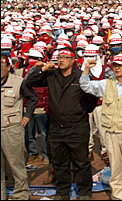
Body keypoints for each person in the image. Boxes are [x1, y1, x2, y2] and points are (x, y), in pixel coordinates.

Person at [25, 47, 94, 200]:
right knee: (59, 163)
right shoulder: (51, 75)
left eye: (65, 57)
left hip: (77, 127)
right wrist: (42, 69)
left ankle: (84, 192)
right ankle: (62, 192)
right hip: (56, 127)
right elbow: (29, 82)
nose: (61, 60)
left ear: (73, 60)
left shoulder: (80, 76)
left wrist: (79, 111)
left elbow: (92, 98)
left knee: (81, 162)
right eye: (59, 57)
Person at [80, 54, 122, 200]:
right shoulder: (106, 84)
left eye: (120, 65)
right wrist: (86, 69)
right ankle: (118, 196)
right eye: (115, 65)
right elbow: (85, 85)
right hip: (110, 132)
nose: (117, 68)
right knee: (115, 168)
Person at [1, 56, 38, 200]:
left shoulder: (19, 82)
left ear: (9, 67)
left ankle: (21, 196)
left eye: (2, 65)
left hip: (12, 129)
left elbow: (33, 98)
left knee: (17, 166)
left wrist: (27, 116)